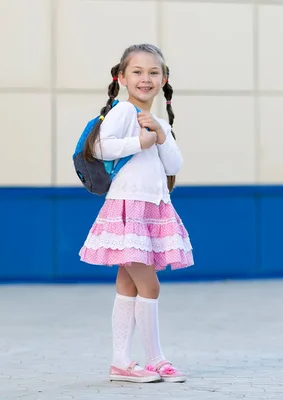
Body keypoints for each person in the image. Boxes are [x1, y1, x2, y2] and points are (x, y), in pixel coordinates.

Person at [78, 43, 194, 383]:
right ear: (122, 78)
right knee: (150, 286)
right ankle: (155, 358)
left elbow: (174, 164)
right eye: (137, 72)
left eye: (153, 72)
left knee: (128, 284)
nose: (146, 79)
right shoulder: (123, 112)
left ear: (164, 79)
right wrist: (139, 142)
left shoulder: (155, 119)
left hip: (152, 208)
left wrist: (160, 135)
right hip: (128, 208)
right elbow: (99, 146)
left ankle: (121, 363)